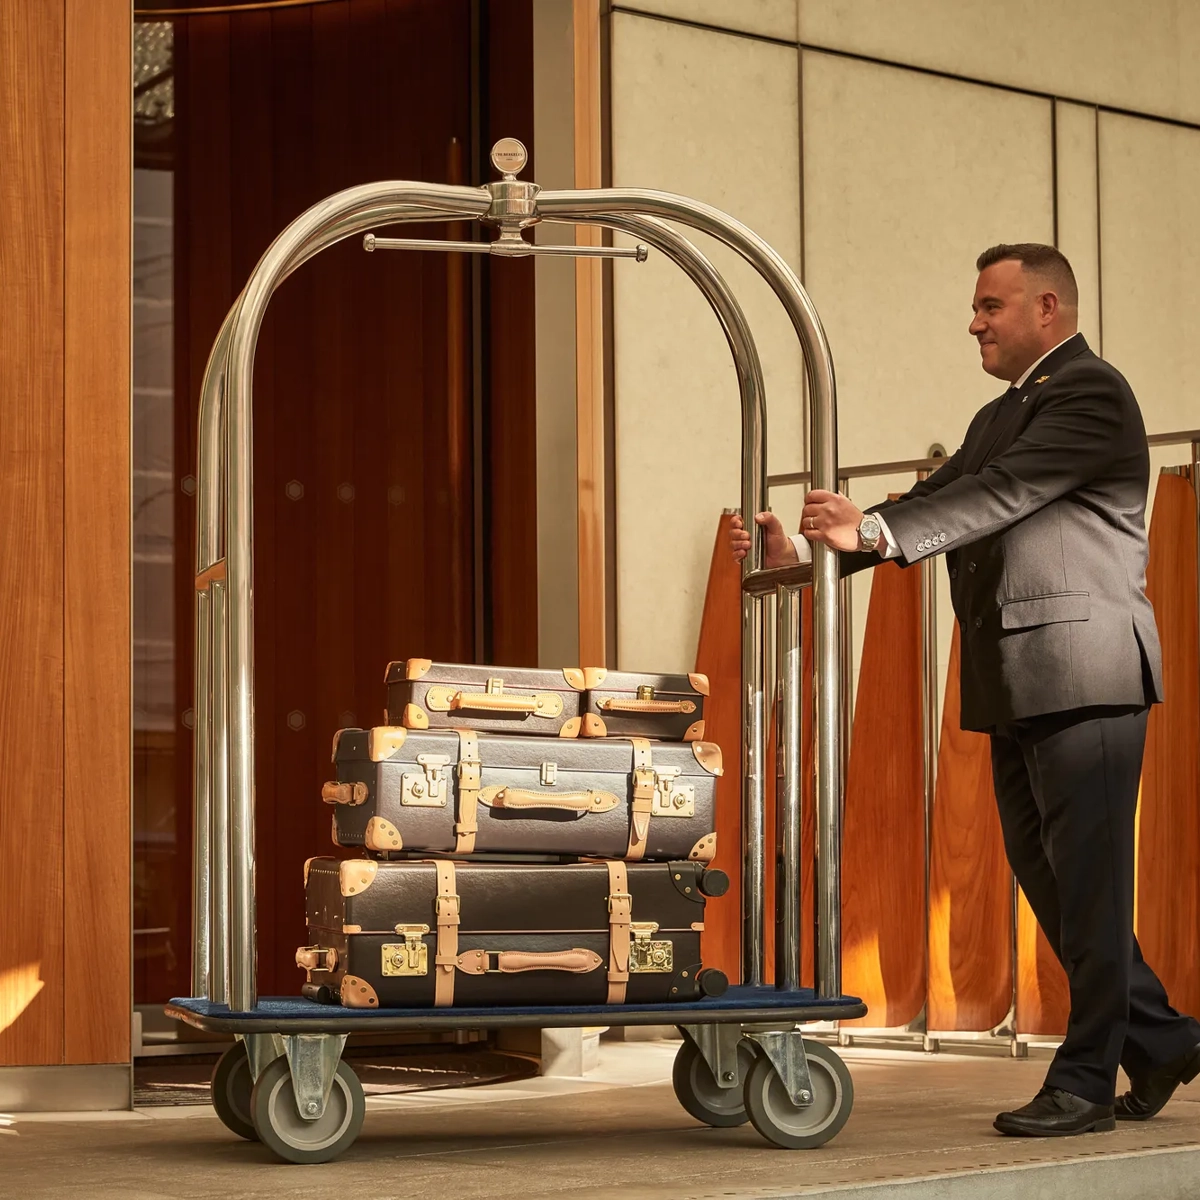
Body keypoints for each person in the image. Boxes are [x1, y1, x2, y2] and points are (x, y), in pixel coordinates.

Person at [731, 243, 1200, 1138]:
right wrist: (810, 557)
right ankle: (1165, 1041)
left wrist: (872, 528)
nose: (974, 322)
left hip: (1086, 672)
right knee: (1052, 883)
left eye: (992, 306)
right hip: (1019, 678)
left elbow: (1003, 493)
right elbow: (934, 504)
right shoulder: (1000, 413)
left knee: (1089, 888)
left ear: (1048, 309)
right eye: (977, 306)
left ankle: (1084, 1082)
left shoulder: (1092, 392)